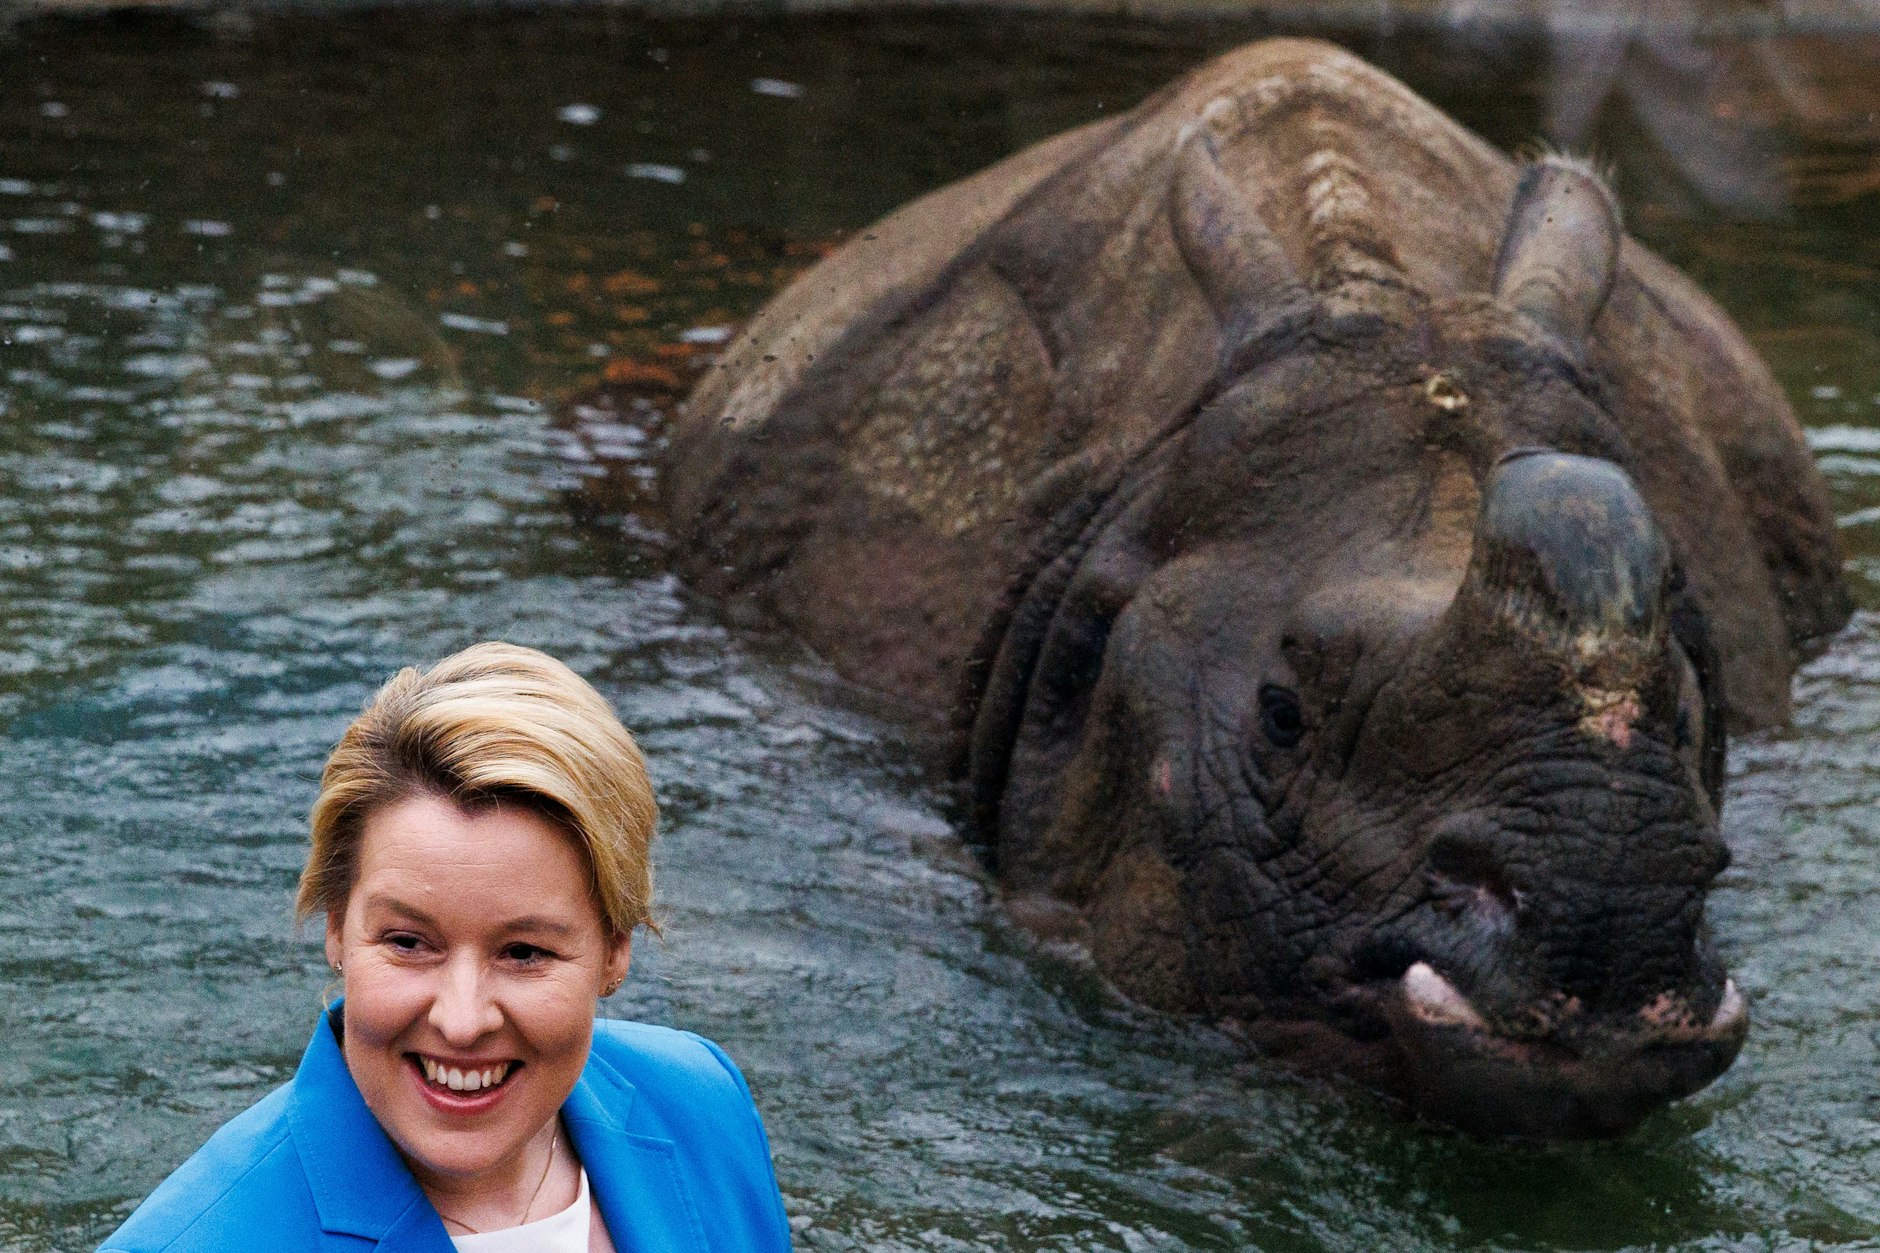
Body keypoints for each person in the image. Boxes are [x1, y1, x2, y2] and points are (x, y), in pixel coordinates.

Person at [102, 642, 793, 1252]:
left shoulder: (701, 1100)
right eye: (408, 941)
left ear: (616, 947)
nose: (462, 1021)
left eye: (523, 952)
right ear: (336, 926)